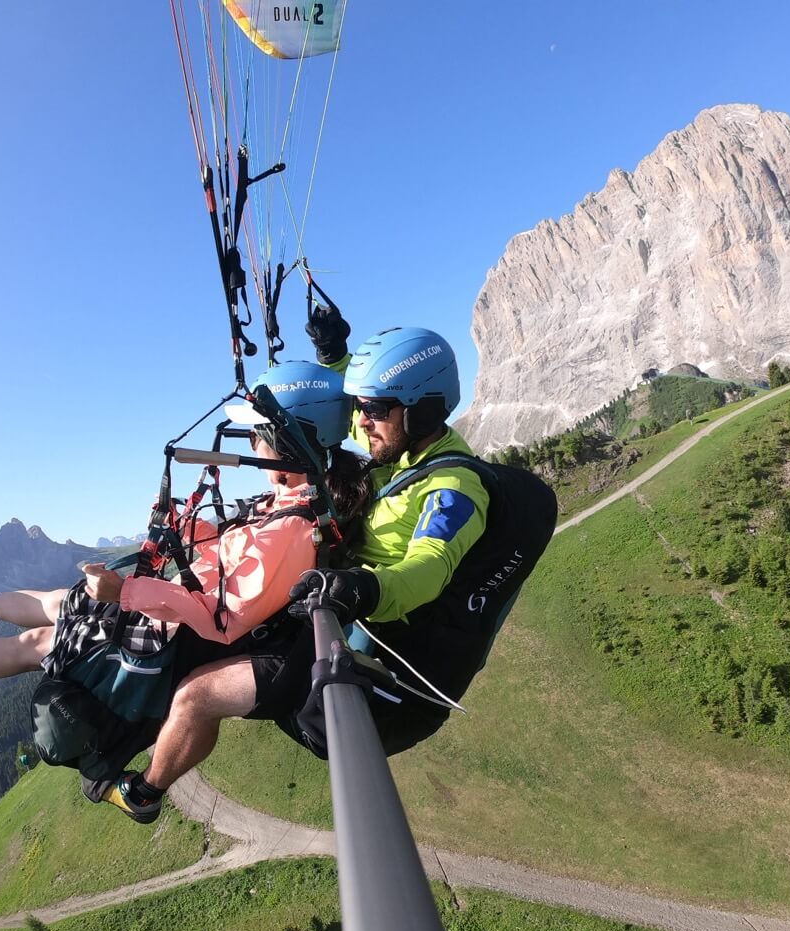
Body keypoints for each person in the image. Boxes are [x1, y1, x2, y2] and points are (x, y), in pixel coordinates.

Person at [0, 361, 369, 819]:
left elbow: (223, 619)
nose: (251, 440)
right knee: (63, 601)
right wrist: (179, 526)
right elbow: (230, 549)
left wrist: (124, 593)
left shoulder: (292, 530)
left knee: (37, 643)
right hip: (172, 617)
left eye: (259, 431)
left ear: (288, 443)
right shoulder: (289, 501)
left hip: (181, 640)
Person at [104, 325, 502, 823]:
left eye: (375, 409)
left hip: (363, 640)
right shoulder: (395, 442)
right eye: (361, 406)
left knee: (197, 694)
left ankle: (143, 794)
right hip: (320, 600)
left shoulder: (453, 488)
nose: (362, 420)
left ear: (421, 409)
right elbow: (334, 420)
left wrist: (366, 586)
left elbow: (429, 566)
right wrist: (334, 356)